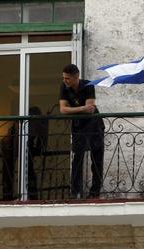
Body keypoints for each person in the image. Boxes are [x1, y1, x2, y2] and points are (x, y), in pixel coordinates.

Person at [59, 64, 105, 199]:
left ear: (76, 77)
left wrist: (72, 109)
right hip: (79, 125)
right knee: (77, 158)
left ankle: (95, 192)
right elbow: (62, 110)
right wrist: (82, 108)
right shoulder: (64, 87)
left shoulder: (88, 85)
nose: (64, 80)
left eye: (67, 78)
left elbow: (91, 109)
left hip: (94, 124)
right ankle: (75, 191)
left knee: (96, 157)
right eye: (63, 78)